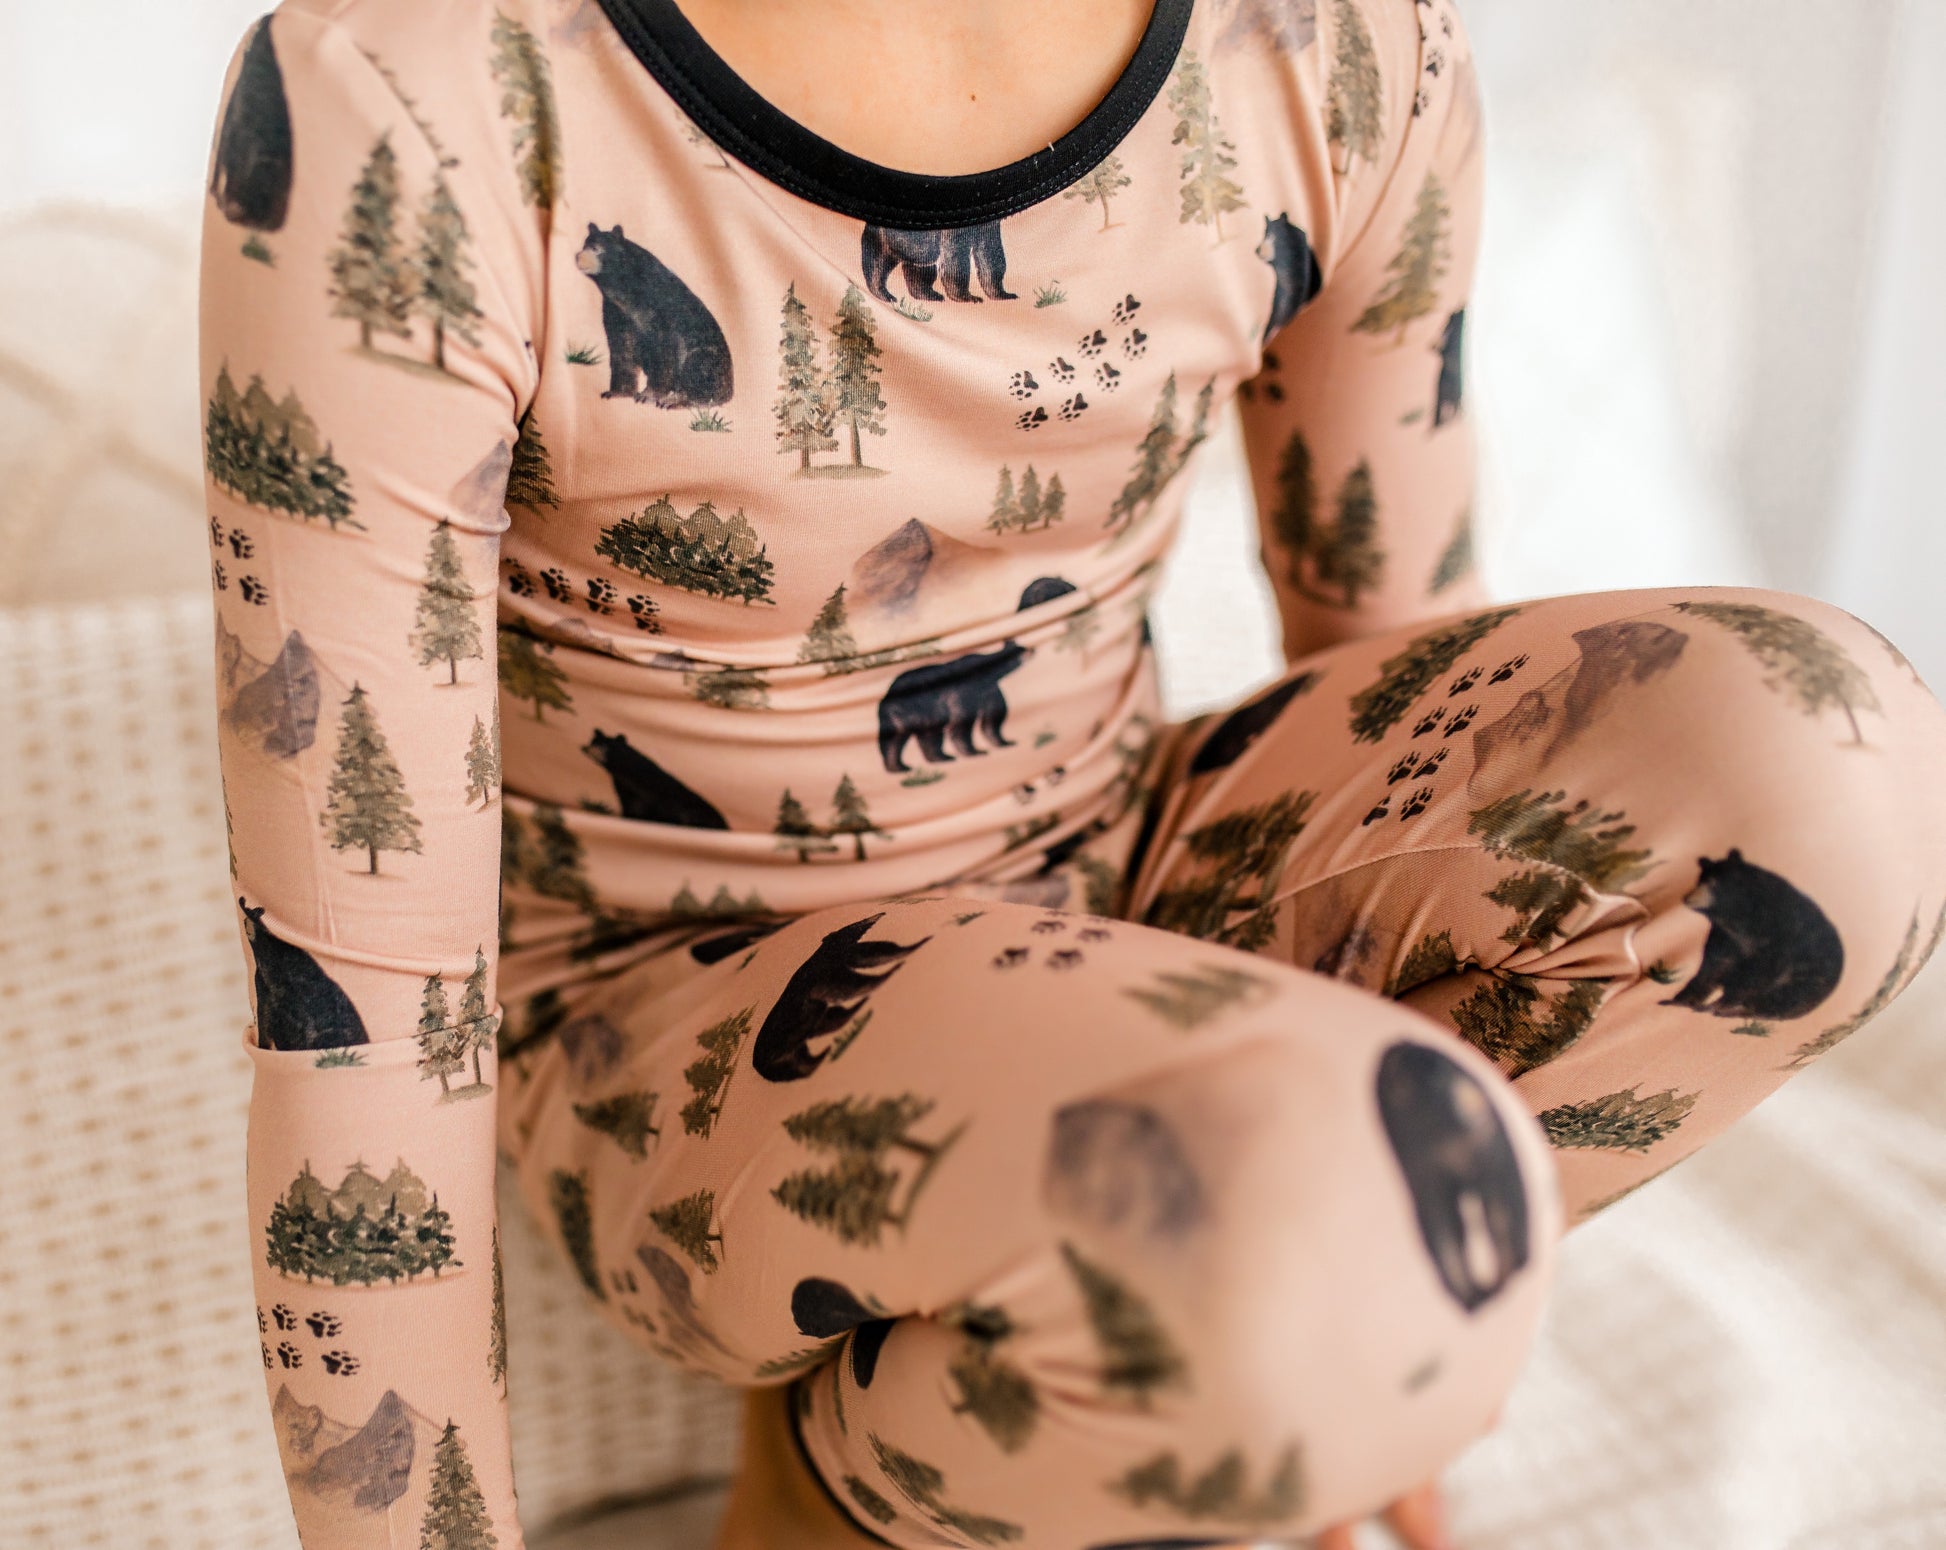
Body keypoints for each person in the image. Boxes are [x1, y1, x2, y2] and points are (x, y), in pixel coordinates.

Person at [198, 0, 1946, 1545]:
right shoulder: (408, 95)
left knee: (1836, 774)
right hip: (671, 1021)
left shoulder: (1337, 35)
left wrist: (1363, 1303)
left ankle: (1202, 1344)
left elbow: (1412, 689)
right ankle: (829, 1499)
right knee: (1320, 1212)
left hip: (1124, 868)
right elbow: (365, 1016)